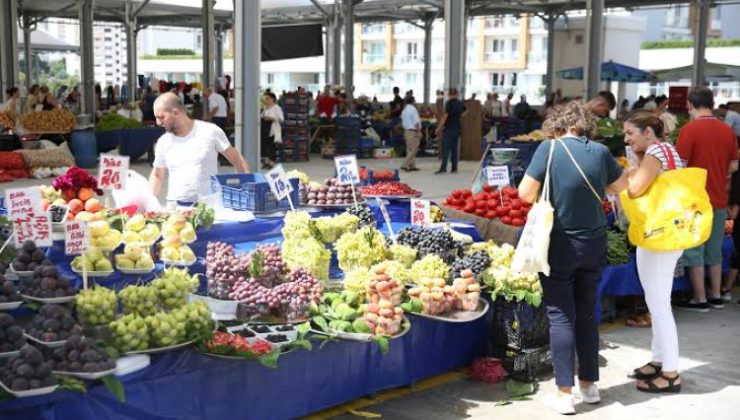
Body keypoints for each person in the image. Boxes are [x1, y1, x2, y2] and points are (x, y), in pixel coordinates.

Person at [517, 101, 627, 415]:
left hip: (559, 245)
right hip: (594, 243)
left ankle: (564, 394)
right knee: (587, 314)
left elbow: (525, 193)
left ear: (558, 123)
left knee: (561, 316)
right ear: (586, 125)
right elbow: (621, 187)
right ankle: (589, 386)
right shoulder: (602, 152)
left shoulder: (548, 150)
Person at [622, 109, 684, 394]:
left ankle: (670, 372)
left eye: (630, 134)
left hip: (659, 236)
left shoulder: (655, 152)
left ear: (648, 132)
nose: (627, 139)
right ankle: (659, 360)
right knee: (659, 301)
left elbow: (634, 189)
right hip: (669, 233)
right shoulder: (667, 149)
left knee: (658, 305)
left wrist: (630, 170)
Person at [675, 87, 738, 312]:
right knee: (715, 250)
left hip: (694, 201)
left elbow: (680, 166)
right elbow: (733, 165)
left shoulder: (689, 131)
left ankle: (700, 299)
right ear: (711, 104)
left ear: (689, 105)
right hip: (719, 198)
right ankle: (716, 296)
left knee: (695, 250)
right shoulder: (727, 131)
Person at [149, 92, 249, 205]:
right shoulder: (164, 141)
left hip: (209, 208)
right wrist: (147, 202)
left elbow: (236, 159)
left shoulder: (210, 131)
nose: (158, 122)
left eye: (161, 117)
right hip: (176, 210)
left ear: (176, 112)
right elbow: (157, 175)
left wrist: (248, 189)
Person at [434, 88, 466, 174]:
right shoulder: (460, 103)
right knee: (454, 149)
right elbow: (466, 111)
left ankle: (443, 168)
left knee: (446, 149)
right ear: (456, 94)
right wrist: (459, 117)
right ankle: (454, 168)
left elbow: (445, 116)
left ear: (449, 94)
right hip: (457, 128)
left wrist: (439, 128)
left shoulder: (448, 103)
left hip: (449, 129)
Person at [261, 92, 284, 169]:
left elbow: (281, 119)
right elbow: (262, 116)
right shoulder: (266, 108)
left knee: (272, 147)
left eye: (267, 98)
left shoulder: (277, 108)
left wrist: (271, 118)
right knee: (266, 146)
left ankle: (272, 163)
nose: (266, 100)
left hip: (273, 129)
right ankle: (266, 161)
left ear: (272, 99)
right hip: (265, 128)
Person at [400, 96, 422, 172]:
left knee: (409, 149)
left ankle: (412, 165)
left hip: (407, 131)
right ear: (413, 101)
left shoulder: (404, 110)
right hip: (413, 131)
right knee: (414, 149)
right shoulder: (413, 109)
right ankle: (405, 164)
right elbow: (416, 122)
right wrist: (419, 132)